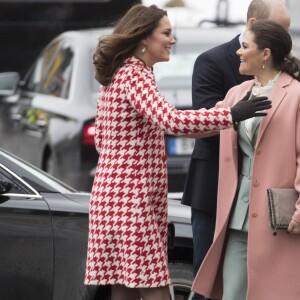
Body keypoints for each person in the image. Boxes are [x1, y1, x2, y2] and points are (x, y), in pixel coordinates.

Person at [83, 4, 271, 300]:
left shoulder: (120, 73)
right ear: (145, 38)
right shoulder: (135, 75)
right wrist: (232, 114)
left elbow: (103, 141)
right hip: (132, 200)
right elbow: (170, 120)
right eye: (166, 33)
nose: (172, 40)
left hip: (111, 196)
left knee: (122, 286)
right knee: (155, 287)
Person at [181, 2, 290, 299]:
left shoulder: (293, 90)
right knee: (217, 286)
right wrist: (234, 114)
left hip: (273, 205)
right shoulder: (230, 84)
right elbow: (200, 124)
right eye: (281, 28)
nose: (286, 37)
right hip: (222, 196)